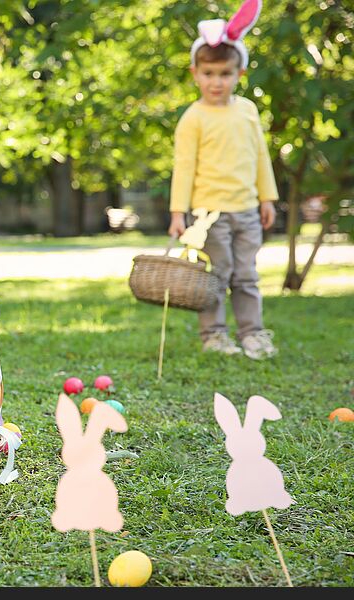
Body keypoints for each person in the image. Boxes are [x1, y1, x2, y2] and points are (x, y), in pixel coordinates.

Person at [169, 0, 279, 360]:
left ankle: (252, 334)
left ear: (240, 74)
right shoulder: (194, 118)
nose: (217, 82)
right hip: (208, 215)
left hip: (247, 209)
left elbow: (260, 156)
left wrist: (266, 199)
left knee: (246, 275)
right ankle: (214, 335)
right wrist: (177, 213)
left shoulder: (247, 111)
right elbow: (183, 167)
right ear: (195, 73)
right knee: (215, 277)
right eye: (209, 73)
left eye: (225, 74)